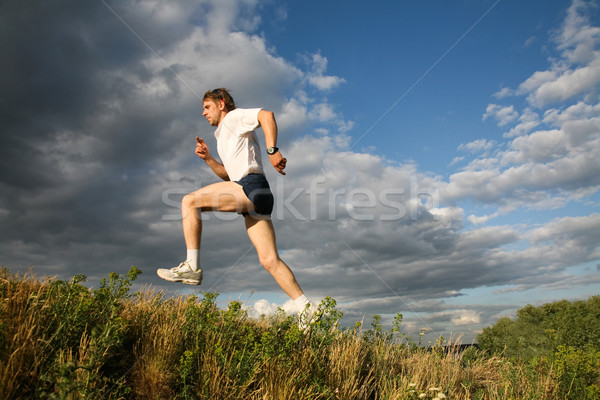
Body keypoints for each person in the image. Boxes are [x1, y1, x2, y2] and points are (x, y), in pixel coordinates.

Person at [157, 88, 314, 319]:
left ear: (221, 104)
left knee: (189, 201)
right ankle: (306, 307)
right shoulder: (223, 135)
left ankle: (192, 266)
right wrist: (209, 159)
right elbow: (228, 176)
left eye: (207, 107)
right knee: (269, 259)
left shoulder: (233, 117)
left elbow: (266, 115)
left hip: (251, 186)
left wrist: (273, 151)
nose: (203, 113)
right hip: (255, 192)